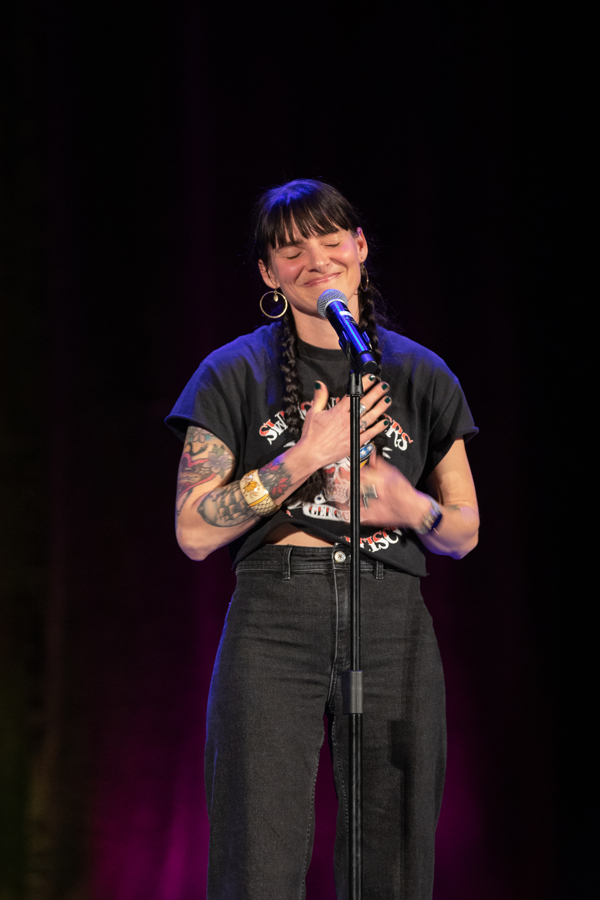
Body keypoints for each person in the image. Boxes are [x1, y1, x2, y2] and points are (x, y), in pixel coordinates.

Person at [166, 178, 479, 900]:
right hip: (277, 619)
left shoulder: (420, 372)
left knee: (394, 857)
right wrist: (302, 456)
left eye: (331, 237)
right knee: (258, 856)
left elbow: (464, 530)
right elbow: (191, 530)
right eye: (289, 248)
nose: (315, 258)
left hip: (391, 616)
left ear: (361, 247)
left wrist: (411, 506)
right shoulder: (232, 371)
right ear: (269, 275)